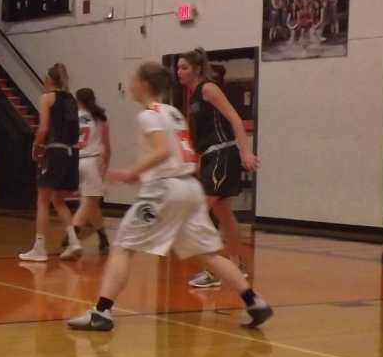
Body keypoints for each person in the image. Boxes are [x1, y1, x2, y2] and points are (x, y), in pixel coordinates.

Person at [66, 62, 271, 332]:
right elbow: (181, 153)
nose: (130, 85)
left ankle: (101, 312)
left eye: (133, 80)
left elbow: (162, 151)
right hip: (189, 188)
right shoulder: (174, 113)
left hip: (164, 191)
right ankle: (254, 302)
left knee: (123, 246)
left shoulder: (148, 115)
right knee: (209, 254)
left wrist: (131, 173)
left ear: (144, 84)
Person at [180, 49, 261, 289]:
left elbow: (235, 118)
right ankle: (237, 266)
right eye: (178, 67)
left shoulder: (208, 88)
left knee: (199, 213)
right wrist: (196, 161)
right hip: (210, 157)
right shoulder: (193, 96)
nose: (179, 72)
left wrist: (245, 151)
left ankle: (214, 270)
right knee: (224, 214)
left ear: (196, 69)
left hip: (222, 154)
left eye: (184, 67)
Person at [20, 63, 82, 262]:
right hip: (72, 152)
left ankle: (39, 248)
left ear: (48, 79)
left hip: (55, 151)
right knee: (58, 199)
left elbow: (44, 128)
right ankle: (74, 241)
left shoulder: (47, 97)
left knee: (42, 199)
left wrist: (36, 145)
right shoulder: (71, 99)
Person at [72, 87, 113, 253]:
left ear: (77, 101)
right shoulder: (100, 118)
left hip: (76, 161)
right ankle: (71, 237)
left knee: (92, 204)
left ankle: (103, 239)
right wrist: (105, 166)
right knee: (88, 202)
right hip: (92, 161)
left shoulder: (72, 117)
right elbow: (107, 148)